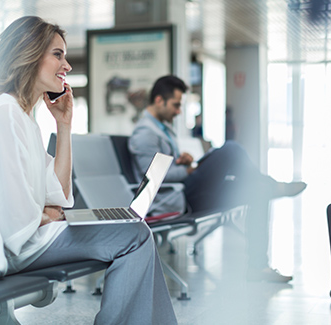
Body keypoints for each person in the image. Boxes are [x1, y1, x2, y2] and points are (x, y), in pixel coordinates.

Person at [0, 16, 177, 325]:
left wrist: (63, 125)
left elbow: (58, 196)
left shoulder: (22, 117)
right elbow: (15, 223)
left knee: (136, 232)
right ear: (29, 54)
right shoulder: (4, 113)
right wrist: (41, 213)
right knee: (135, 234)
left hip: (30, 240)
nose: (67, 66)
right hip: (15, 248)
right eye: (58, 54)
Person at [128, 75, 306, 283]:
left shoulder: (160, 128)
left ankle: (258, 266)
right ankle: (274, 185)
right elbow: (150, 180)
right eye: (176, 105)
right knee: (231, 149)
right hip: (181, 198)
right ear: (159, 100)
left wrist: (183, 162)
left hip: (188, 190)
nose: (178, 111)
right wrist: (188, 171)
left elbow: (163, 166)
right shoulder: (144, 133)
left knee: (258, 190)